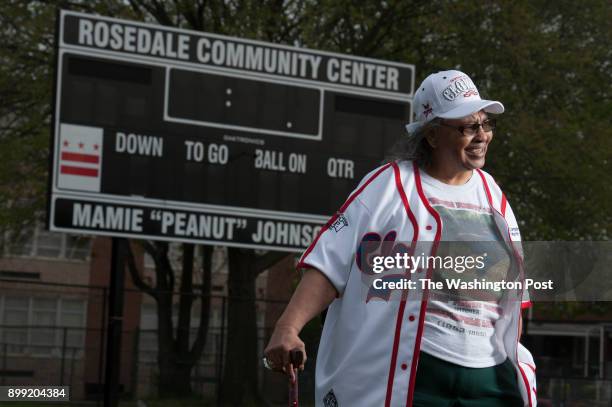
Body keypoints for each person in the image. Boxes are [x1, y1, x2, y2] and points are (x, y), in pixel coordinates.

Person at [264, 70, 536, 406]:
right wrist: (287, 327)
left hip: (489, 377)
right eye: (468, 127)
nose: (482, 135)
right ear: (433, 135)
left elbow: (512, 299)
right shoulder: (387, 186)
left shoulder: (494, 196)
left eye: (486, 124)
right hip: (419, 375)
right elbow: (330, 264)